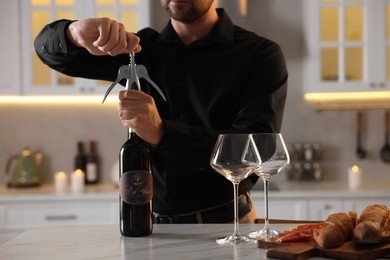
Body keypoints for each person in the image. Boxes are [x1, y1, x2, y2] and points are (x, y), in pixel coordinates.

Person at [34, 0, 288, 224]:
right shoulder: (138, 50)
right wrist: (72, 33)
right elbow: (52, 54)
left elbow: (256, 148)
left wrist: (162, 132)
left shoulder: (260, 54)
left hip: (230, 225)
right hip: (152, 228)